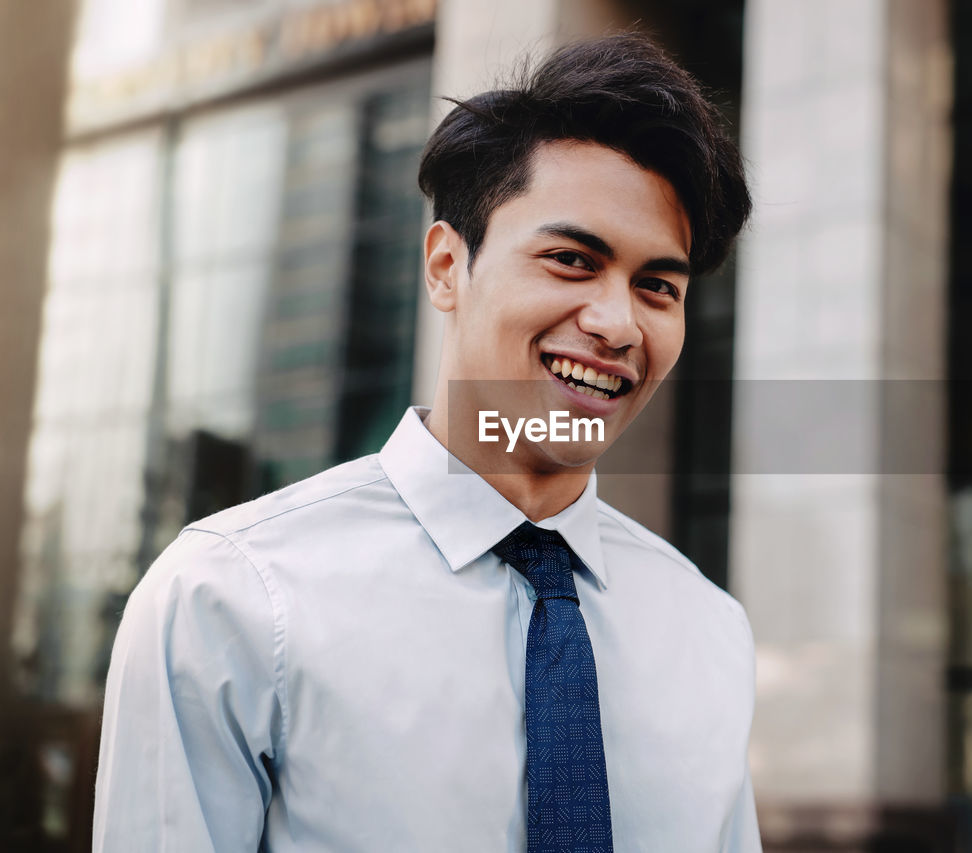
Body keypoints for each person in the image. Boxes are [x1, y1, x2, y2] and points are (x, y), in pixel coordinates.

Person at [93, 32, 758, 853]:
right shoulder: (230, 596)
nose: (617, 323)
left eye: (657, 286)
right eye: (571, 260)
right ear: (447, 266)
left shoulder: (708, 630)